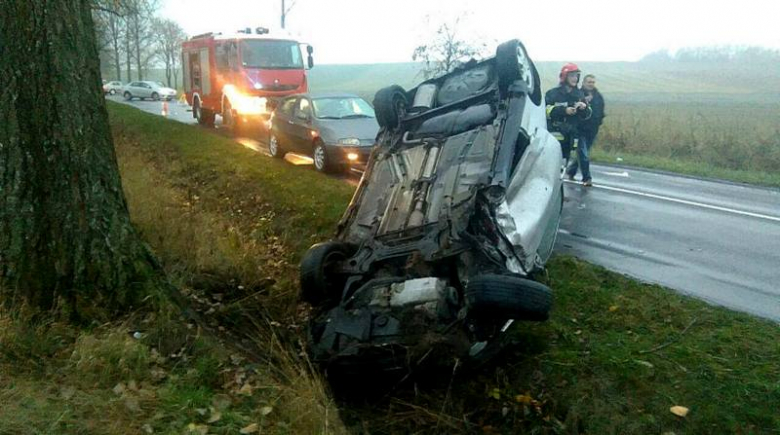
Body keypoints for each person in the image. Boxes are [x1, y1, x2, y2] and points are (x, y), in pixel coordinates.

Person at [545, 63, 593, 185]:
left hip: (571, 136)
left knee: (562, 165)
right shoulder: (553, 94)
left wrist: (584, 108)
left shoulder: (579, 95)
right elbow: (545, 111)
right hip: (554, 134)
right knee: (550, 164)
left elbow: (587, 115)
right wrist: (563, 111)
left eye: (576, 76)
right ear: (564, 77)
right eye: (572, 75)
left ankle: (556, 187)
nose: (575, 79)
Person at [567, 74, 605, 183]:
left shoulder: (598, 97)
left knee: (583, 152)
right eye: (589, 82)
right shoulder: (577, 95)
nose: (591, 84)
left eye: (593, 82)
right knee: (583, 153)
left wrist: (598, 122)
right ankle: (587, 178)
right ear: (583, 82)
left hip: (592, 130)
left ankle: (571, 171)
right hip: (580, 129)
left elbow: (601, 112)